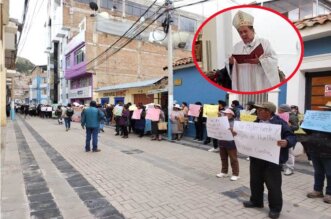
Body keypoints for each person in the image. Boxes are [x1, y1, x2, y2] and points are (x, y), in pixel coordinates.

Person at [243, 102, 296, 219]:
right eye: (258, 110)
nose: (257, 111)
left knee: (273, 186)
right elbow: (247, 134)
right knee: (255, 182)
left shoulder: (280, 123)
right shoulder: (256, 122)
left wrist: (287, 142)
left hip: (272, 161)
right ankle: (256, 201)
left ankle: (275, 209)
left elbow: (292, 137)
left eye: (260, 110)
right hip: (257, 158)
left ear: (268, 112)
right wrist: (238, 133)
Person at [228, 10, 279, 91]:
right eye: (240, 32)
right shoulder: (236, 47)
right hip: (243, 83)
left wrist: (259, 61)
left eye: (245, 31)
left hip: (260, 82)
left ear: (252, 30)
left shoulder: (264, 43)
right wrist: (231, 63)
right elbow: (230, 67)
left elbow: (273, 59)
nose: (243, 34)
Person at [303, 102, 331, 204]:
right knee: (318, 172)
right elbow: (309, 132)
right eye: (325, 109)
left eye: (328, 109)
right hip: (315, 150)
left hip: (329, 152)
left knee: (330, 173)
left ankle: (329, 193)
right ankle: (318, 190)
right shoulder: (318, 119)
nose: (326, 111)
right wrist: (305, 124)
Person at [216, 108, 240, 181]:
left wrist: (233, 131)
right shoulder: (222, 121)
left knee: (233, 159)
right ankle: (224, 172)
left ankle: (235, 174)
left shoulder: (236, 122)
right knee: (223, 158)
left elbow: (238, 133)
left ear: (231, 115)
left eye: (226, 113)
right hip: (222, 142)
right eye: (224, 113)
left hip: (231, 143)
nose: (224, 115)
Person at [278, 104, 299, 176]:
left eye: (279, 108)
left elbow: (296, 127)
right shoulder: (279, 115)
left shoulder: (292, 116)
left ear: (283, 110)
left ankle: (290, 168)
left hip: (289, 137)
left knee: (289, 153)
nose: (278, 109)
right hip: (281, 135)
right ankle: (281, 166)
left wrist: (289, 126)